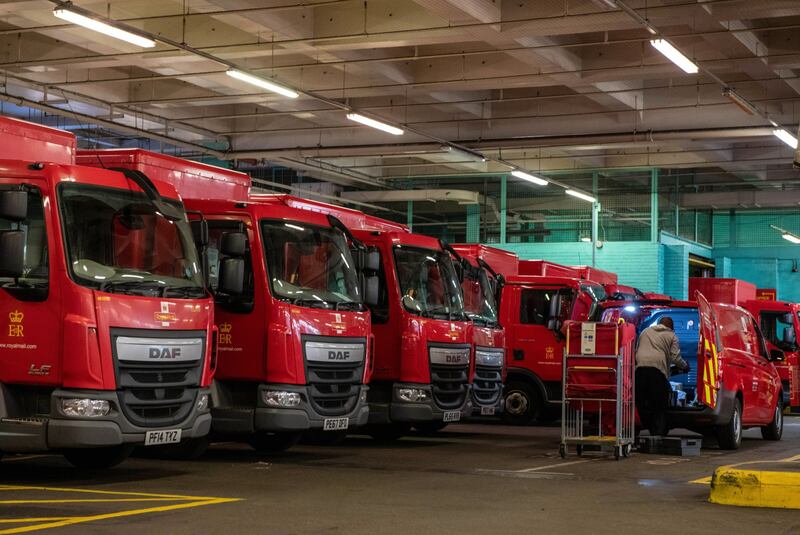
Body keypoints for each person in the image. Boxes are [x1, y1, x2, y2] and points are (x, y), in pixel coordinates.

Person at [635, 316, 689, 437]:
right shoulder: (672, 336)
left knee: (641, 403)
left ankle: (642, 428)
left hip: (640, 371)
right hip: (657, 373)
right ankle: (658, 433)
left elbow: (637, 350)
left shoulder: (645, 331)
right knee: (659, 405)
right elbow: (675, 358)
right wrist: (685, 366)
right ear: (671, 327)